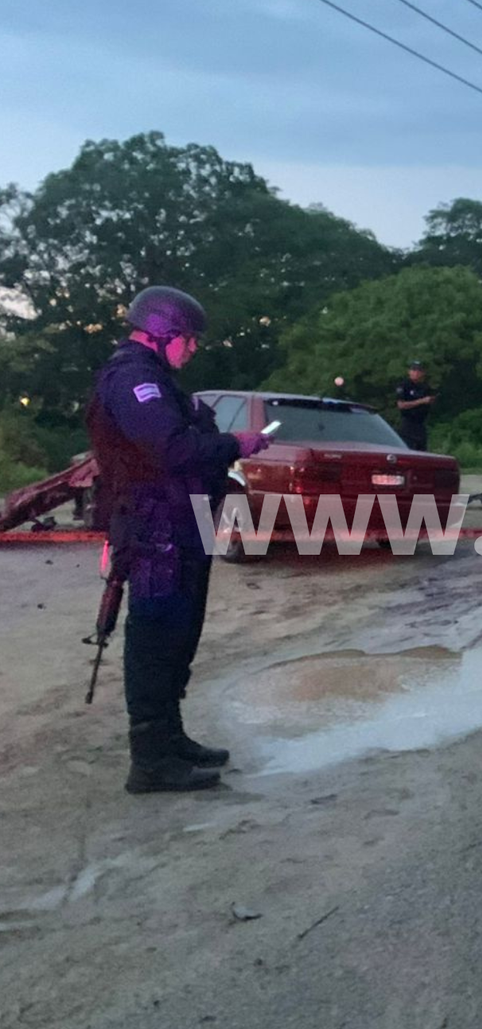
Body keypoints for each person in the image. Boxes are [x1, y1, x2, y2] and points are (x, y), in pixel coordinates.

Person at [86, 286, 274, 794]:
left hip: (180, 521)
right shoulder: (133, 380)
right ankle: (149, 760)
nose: (192, 350)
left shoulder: (157, 380)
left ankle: (170, 738)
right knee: (155, 637)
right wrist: (236, 443)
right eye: (188, 340)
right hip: (154, 527)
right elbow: (171, 450)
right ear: (163, 334)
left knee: (180, 635)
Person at [395, 360, 437, 451]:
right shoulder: (404, 385)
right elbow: (401, 405)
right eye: (414, 370)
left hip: (420, 424)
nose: (416, 373)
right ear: (409, 372)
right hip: (408, 423)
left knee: (422, 451)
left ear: (423, 373)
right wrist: (421, 401)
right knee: (408, 450)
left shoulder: (425, 387)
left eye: (419, 371)